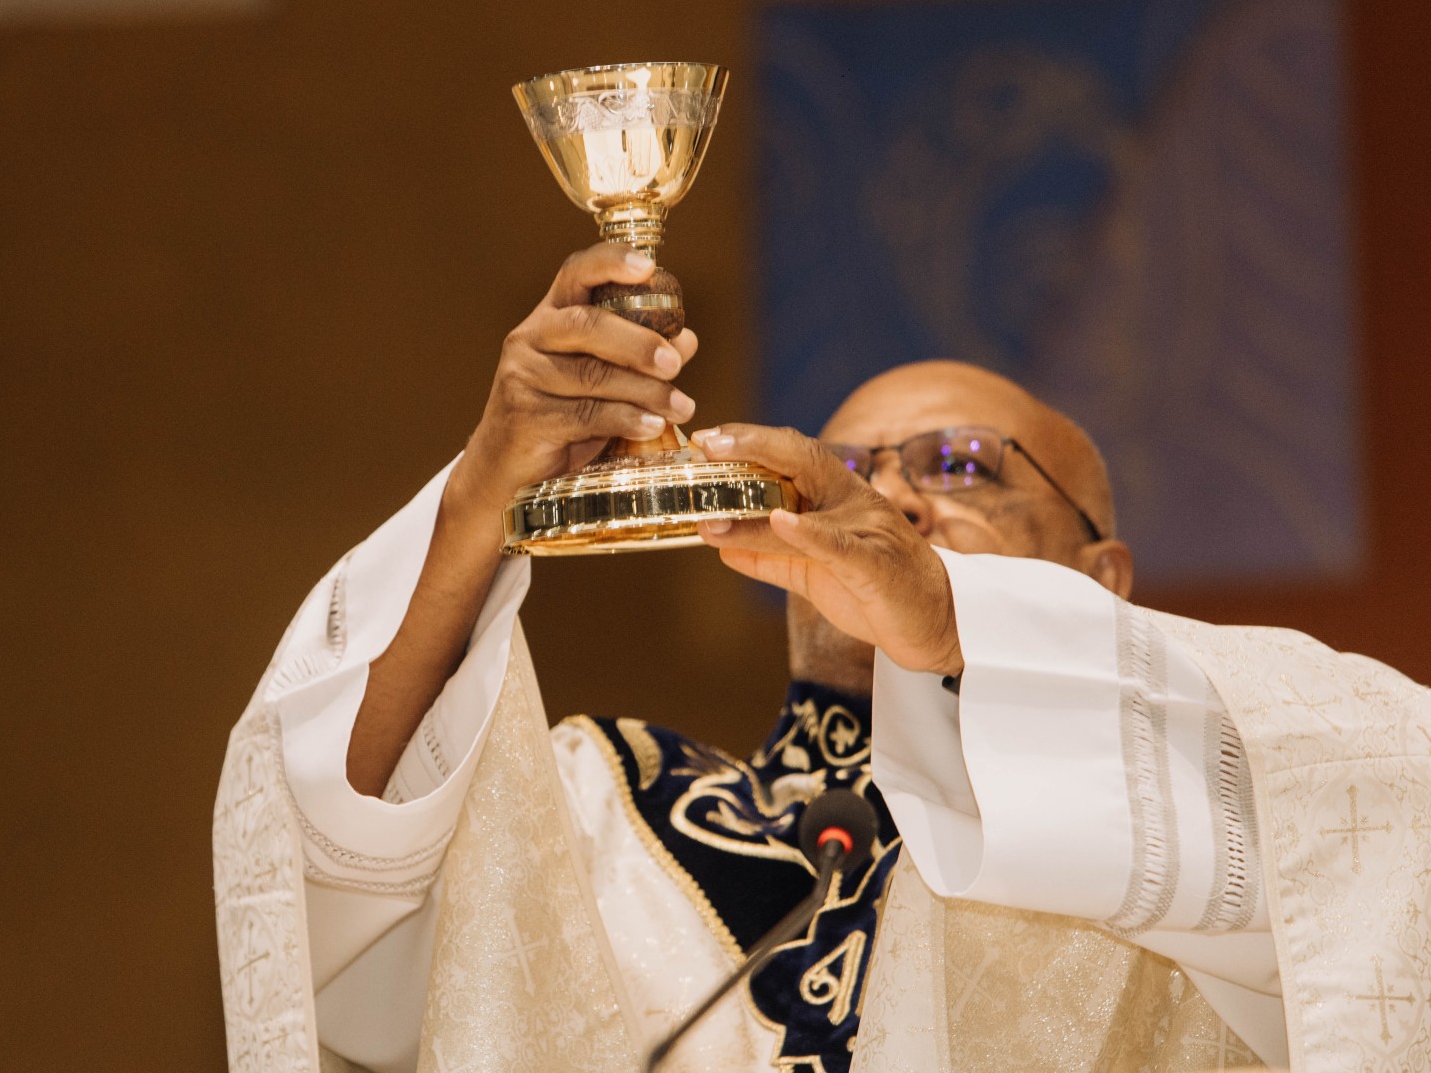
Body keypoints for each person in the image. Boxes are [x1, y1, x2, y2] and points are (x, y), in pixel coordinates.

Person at [215, 245, 1431, 1073]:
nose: (886, 499)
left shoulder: (1202, 808)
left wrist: (952, 627)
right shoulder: (606, 814)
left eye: (962, 467)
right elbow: (329, 860)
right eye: (843, 472)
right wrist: (487, 492)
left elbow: (1384, 819)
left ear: (1102, 576)